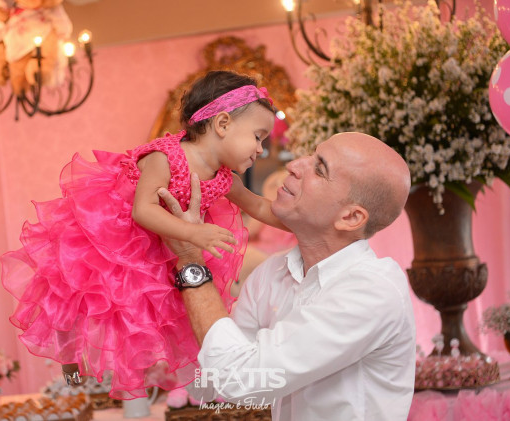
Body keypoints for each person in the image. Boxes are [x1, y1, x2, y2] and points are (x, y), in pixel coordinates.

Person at [0, 70, 288, 399]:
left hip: (156, 248)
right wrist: (192, 232)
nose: (261, 149)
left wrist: (303, 222)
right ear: (223, 124)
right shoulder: (166, 157)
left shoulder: (225, 179)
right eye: (258, 137)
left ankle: (149, 383)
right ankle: (69, 366)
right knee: (79, 296)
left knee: (143, 316)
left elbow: (260, 207)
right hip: (110, 234)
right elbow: (143, 210)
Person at [158, 132, 416, 420]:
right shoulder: (273, 272)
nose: (294, 165)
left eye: (320, 169)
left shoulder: (372, 291)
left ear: (350, 217)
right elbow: (213, 374)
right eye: (310, 154)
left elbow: (240, 379)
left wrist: (190, 261)